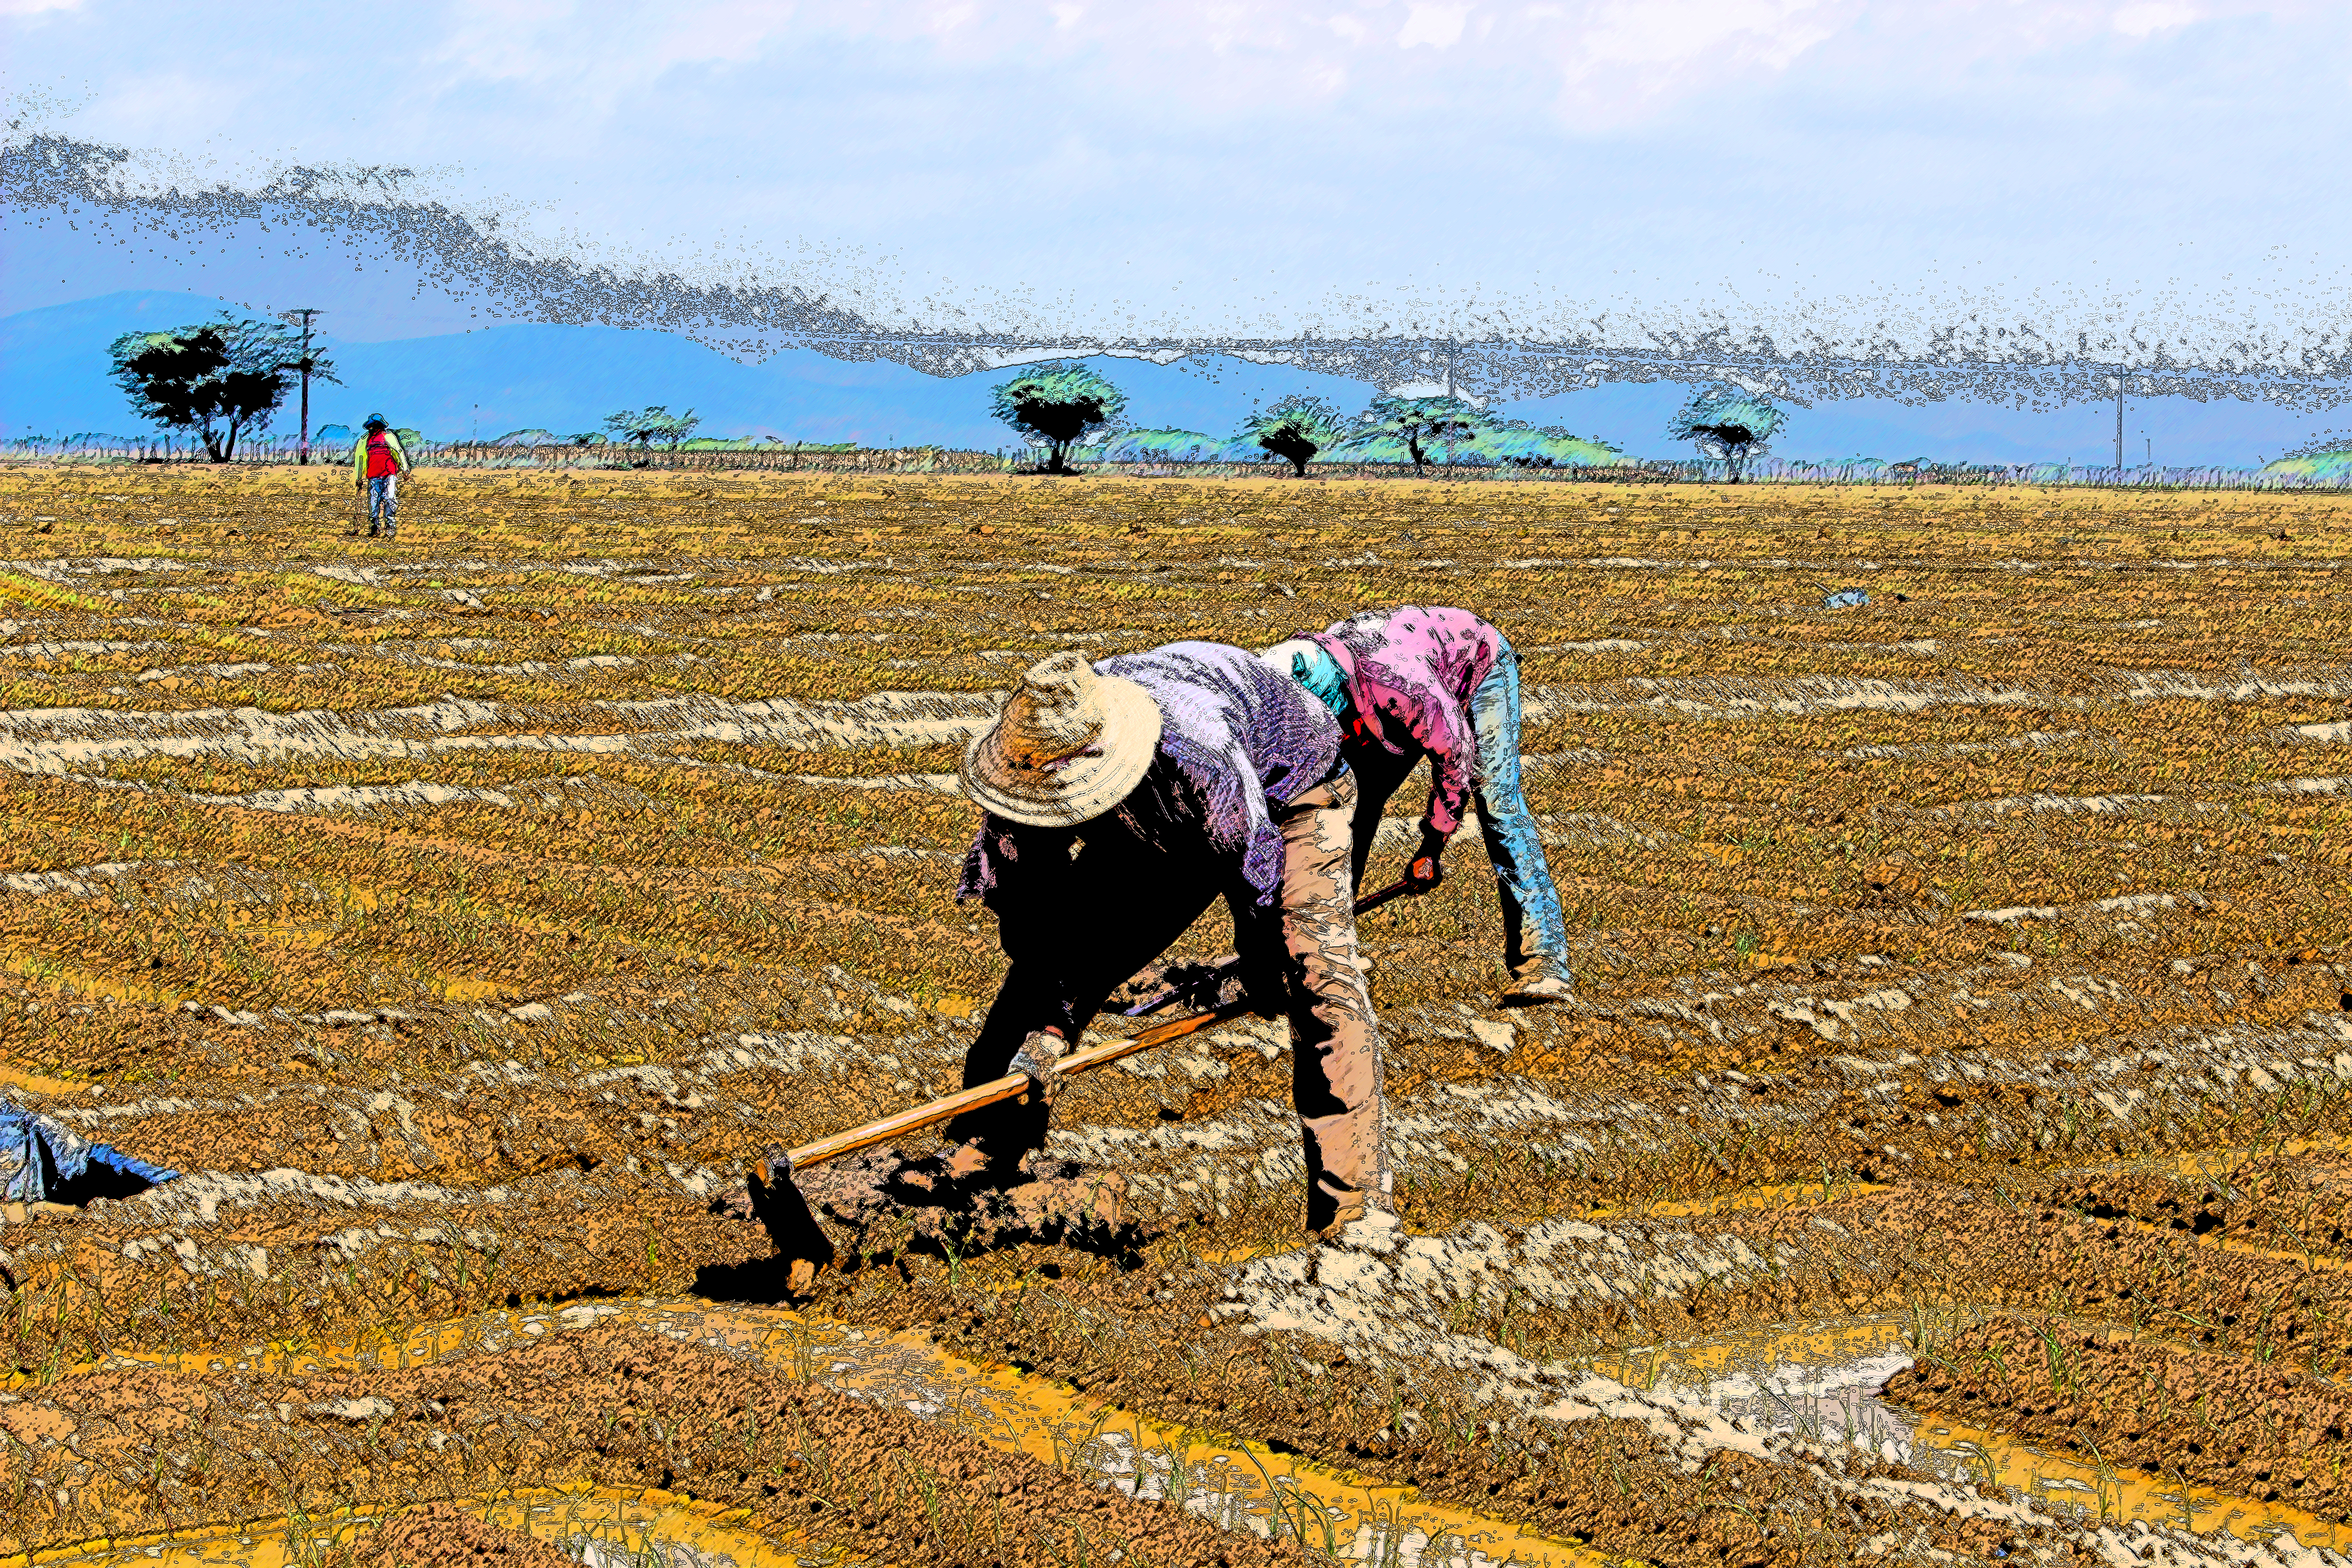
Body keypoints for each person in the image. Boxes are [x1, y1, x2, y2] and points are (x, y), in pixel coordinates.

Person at [950, 643, 1390, 1239]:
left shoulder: (1199, 756)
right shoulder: (1024, 766)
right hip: (1149, 819)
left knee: (1319, 982)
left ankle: (1355, 1213)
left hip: (1292, 789)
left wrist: (1265, 970)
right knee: (1031, 986)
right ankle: (980, 1160)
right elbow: (1031, 914)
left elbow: (1257, 870)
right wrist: (1050, 1025)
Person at [1261, 606, 1576, 1008]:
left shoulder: (1402, 685)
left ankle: (1544, 963)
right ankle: (1330, 950)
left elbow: (1455, 759)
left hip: (1479, 668)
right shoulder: (1297, 669)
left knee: (1498, 805)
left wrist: (1431, 848)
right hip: (1395, 684)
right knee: (1351, 806)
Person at [352, 414, 410, 538]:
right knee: (374, 503)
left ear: (380, 426)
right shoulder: (365, 440)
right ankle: (375, 527)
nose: (374, 428)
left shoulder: (389, 437)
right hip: (373, 476)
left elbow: (399, 452)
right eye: (372, 426)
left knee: (390, 500)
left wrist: (405, 469)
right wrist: (359, 477)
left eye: (376, 425)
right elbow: (360, 459)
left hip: (390, 474)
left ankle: (390, 527)